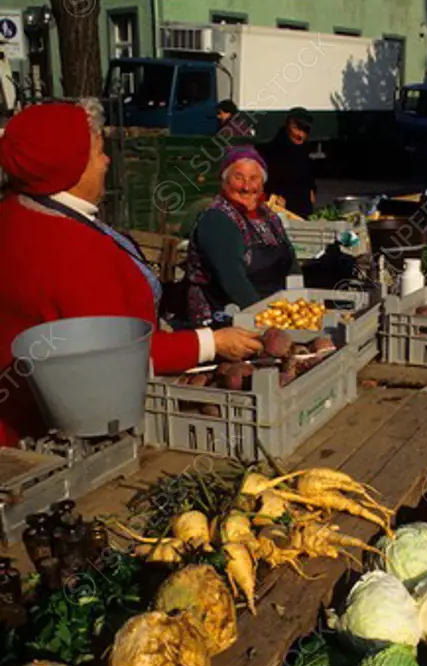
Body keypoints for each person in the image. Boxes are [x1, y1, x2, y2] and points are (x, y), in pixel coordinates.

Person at [0, 101, 262, 446]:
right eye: (97, 152)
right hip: (60, 430)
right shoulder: (73, 250)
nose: (106, 160)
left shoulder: (14, 213)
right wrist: (212, 342)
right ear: (70, 166)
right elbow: (117, 354)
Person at [185, 145, 301, 323]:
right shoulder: (218, 219)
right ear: (224, 181)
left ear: (262, 183)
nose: (247, 187)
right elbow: (234, 281)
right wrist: (267, 321)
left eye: (254, 178)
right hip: (228, 319)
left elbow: (291, 261)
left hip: (273, 312)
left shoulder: (269, 216)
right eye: (238, 178)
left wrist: (299, 303)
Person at [264, 107, 316, 218]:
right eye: (297, 129)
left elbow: (307, 173)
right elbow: (269, 177)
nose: (301, 135)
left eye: (305, 131)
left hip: (303, 206)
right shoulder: (274, 149)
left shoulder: (303, 148)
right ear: (288, 126)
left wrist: (312, 189)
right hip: (282, 206)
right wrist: (274, 194)